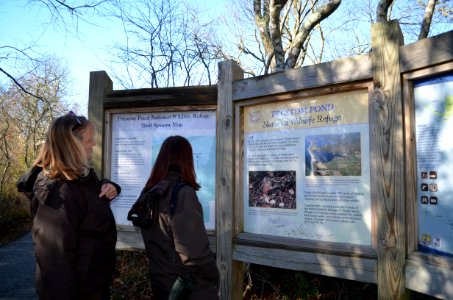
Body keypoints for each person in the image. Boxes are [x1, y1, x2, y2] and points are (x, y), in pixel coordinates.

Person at [16, 111, 121, 300]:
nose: (94, 145)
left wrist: (109, 186)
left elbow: (88, 198)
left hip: (93, 287)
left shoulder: (79, 178)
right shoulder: (58, 193)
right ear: (74, 146)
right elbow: (54, 266)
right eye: (90, 140)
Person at [130, 135, 219, 300]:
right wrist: (213, 276)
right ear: (187, 161)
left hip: (162, 283)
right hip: (189, 289)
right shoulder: (183, 194)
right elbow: (194, 254)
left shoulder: (149, 193)